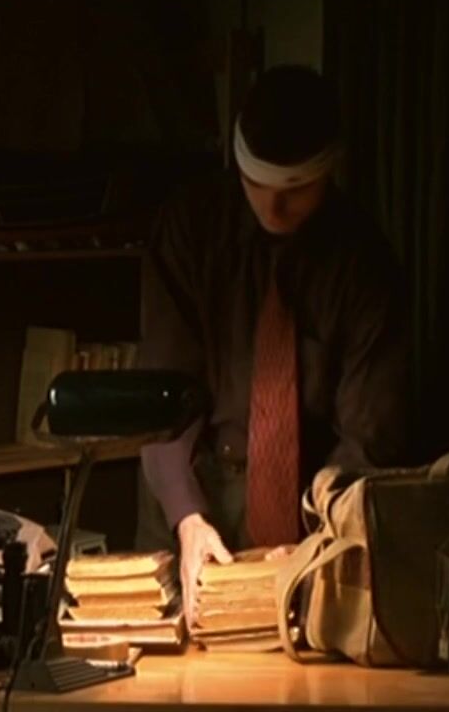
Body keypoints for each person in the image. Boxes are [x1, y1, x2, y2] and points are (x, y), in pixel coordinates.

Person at [133, 65, 411, 624]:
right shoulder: (190, 231)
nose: (273, 208)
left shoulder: (363, 261)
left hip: (318, 504)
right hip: (190, 486)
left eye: (295, 191)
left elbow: (371, 431)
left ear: (329, 171)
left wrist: (321, 529)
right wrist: (187, 515)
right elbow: (161, 394)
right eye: (255, 184)